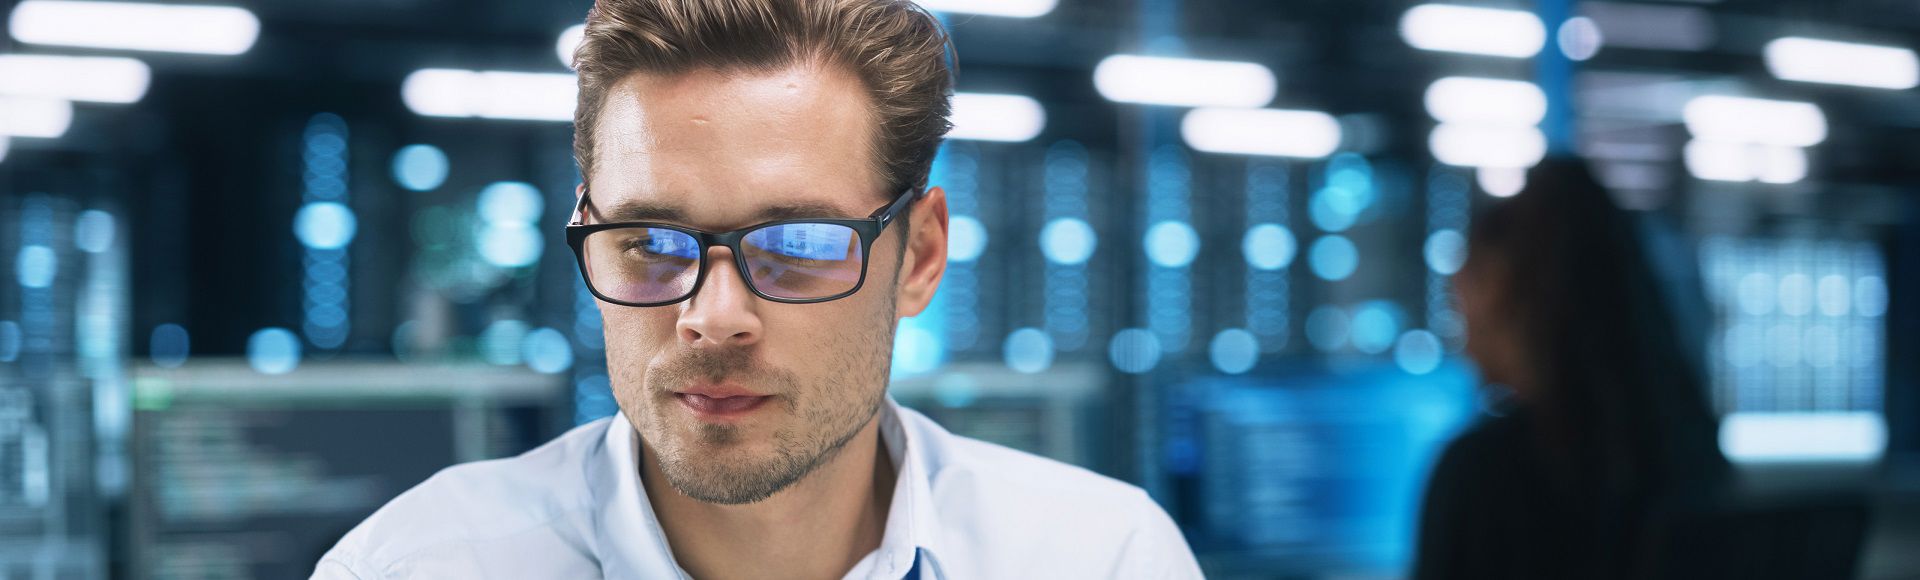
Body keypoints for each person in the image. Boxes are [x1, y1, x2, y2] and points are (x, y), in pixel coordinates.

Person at [313, 0, 1202, 578]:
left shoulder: (1102, 556)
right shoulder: (415, 565)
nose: (712, 317)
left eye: (799, 244)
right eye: (650, 242)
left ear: (921, 257)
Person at [1413, 158, 1729, 579]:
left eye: (1463, 311)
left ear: (1506, 306)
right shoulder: (1687, 455)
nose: (1465, 344)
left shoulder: (1482, 476)